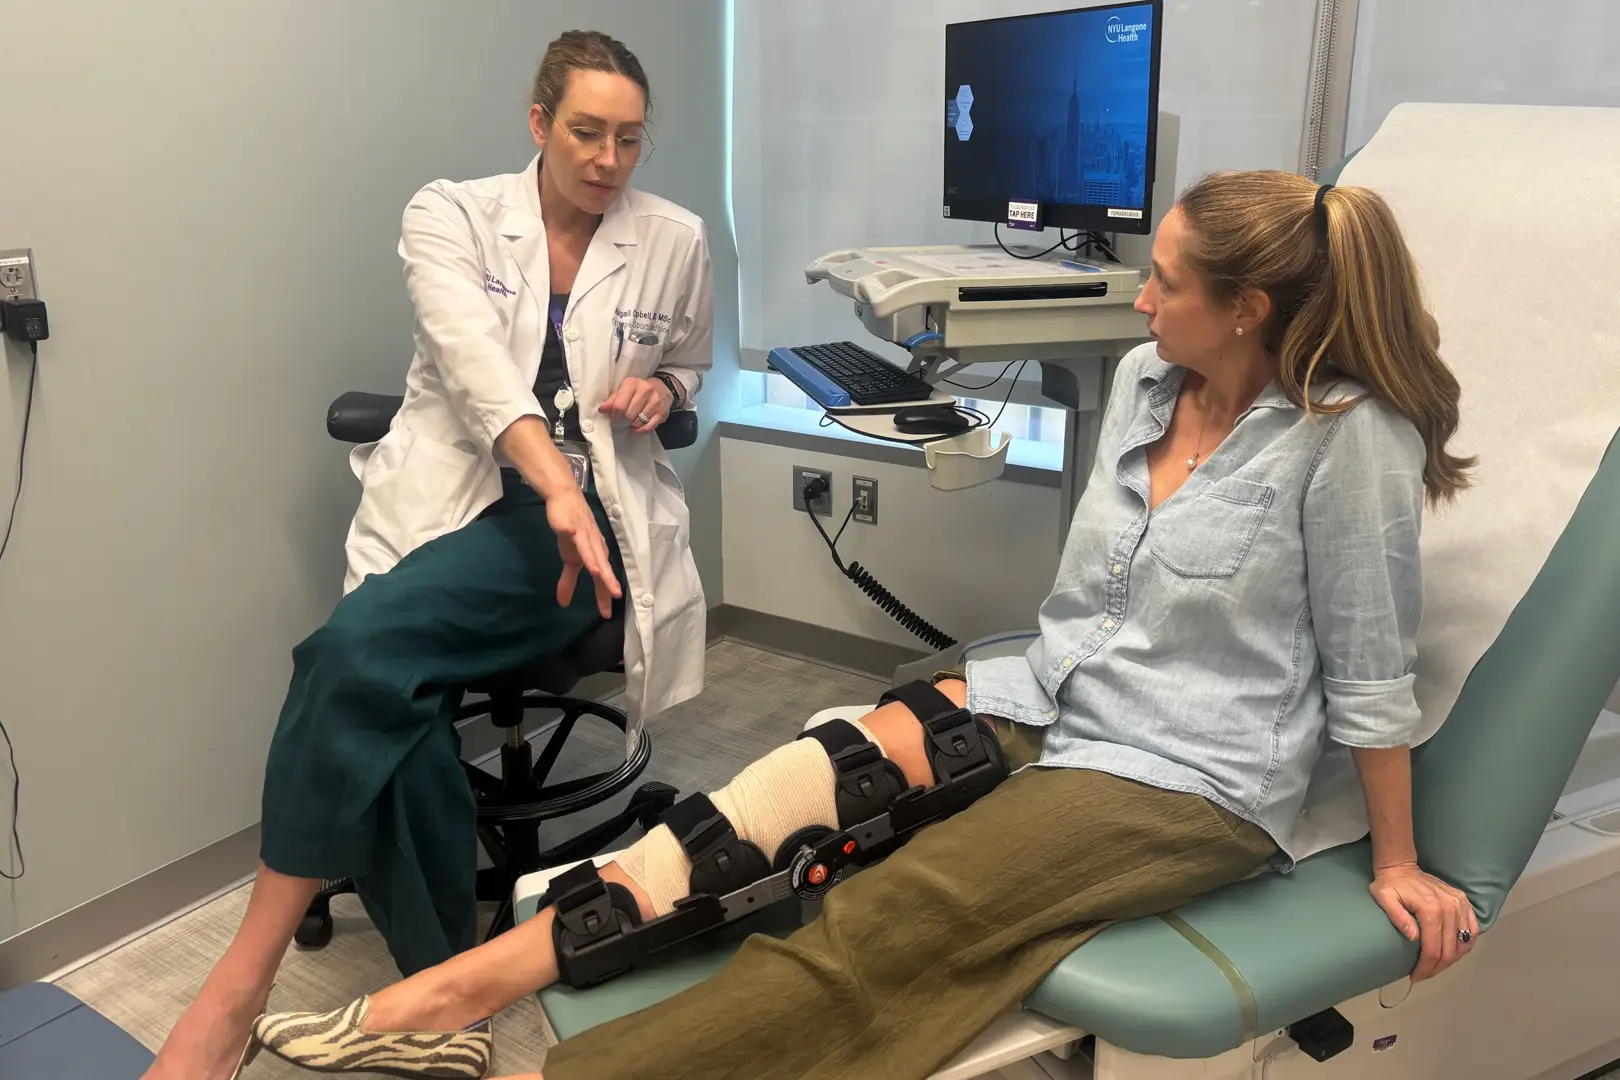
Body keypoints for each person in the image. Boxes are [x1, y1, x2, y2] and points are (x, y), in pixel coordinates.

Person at [246, 170, 1481, 1080]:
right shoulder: (1157, 385)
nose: (1141, 299)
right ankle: (451, 1002)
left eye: (1164, 282)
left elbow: (1371, 670)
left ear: (1250, 308)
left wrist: (1395, 861)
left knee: (888, 918)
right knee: (779, 797)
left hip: (1188, 775)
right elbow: (1093, 614)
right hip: (1053, 694)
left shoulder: (1347, 443)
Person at [142, 30, 713, 1080]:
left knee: (351, 658)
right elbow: (469, 362)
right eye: (586, 132)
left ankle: (237, 994)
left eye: (630, 140)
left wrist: (661, 394)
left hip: (588, 538)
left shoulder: (673, 237)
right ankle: (445, 997)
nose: (609, 160)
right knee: (379, 680)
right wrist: (551, 480)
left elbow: (690, 365)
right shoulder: (448, 214)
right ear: (537, 123)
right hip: (466, 504)